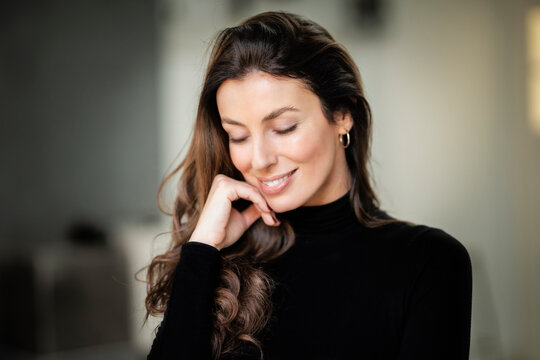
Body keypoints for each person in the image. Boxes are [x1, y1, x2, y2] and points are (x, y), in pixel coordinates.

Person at [145, 11, 472, 360]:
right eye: (237, 135)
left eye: (284, 127)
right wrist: (202, 250)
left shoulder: (428, 263)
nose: (259, 159)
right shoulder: (221, 260)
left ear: (343, 114)